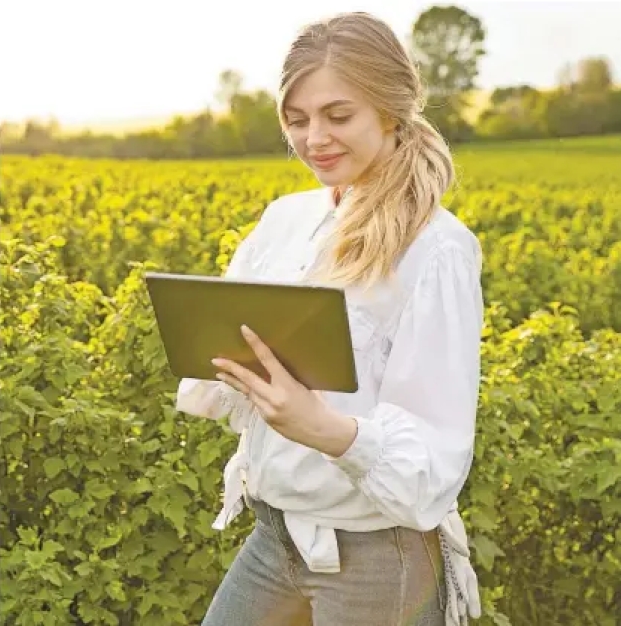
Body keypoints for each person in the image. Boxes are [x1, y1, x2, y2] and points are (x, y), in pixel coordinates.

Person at [177, 11, 483, 626]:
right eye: (297, 120)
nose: (314, 137)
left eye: (338, 116)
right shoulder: (284, 220)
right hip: (276, 535)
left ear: (391, 110)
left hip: (378, 555)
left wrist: (322, 427)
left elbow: (435, 461)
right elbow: (218, 375)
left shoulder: (436, 248)